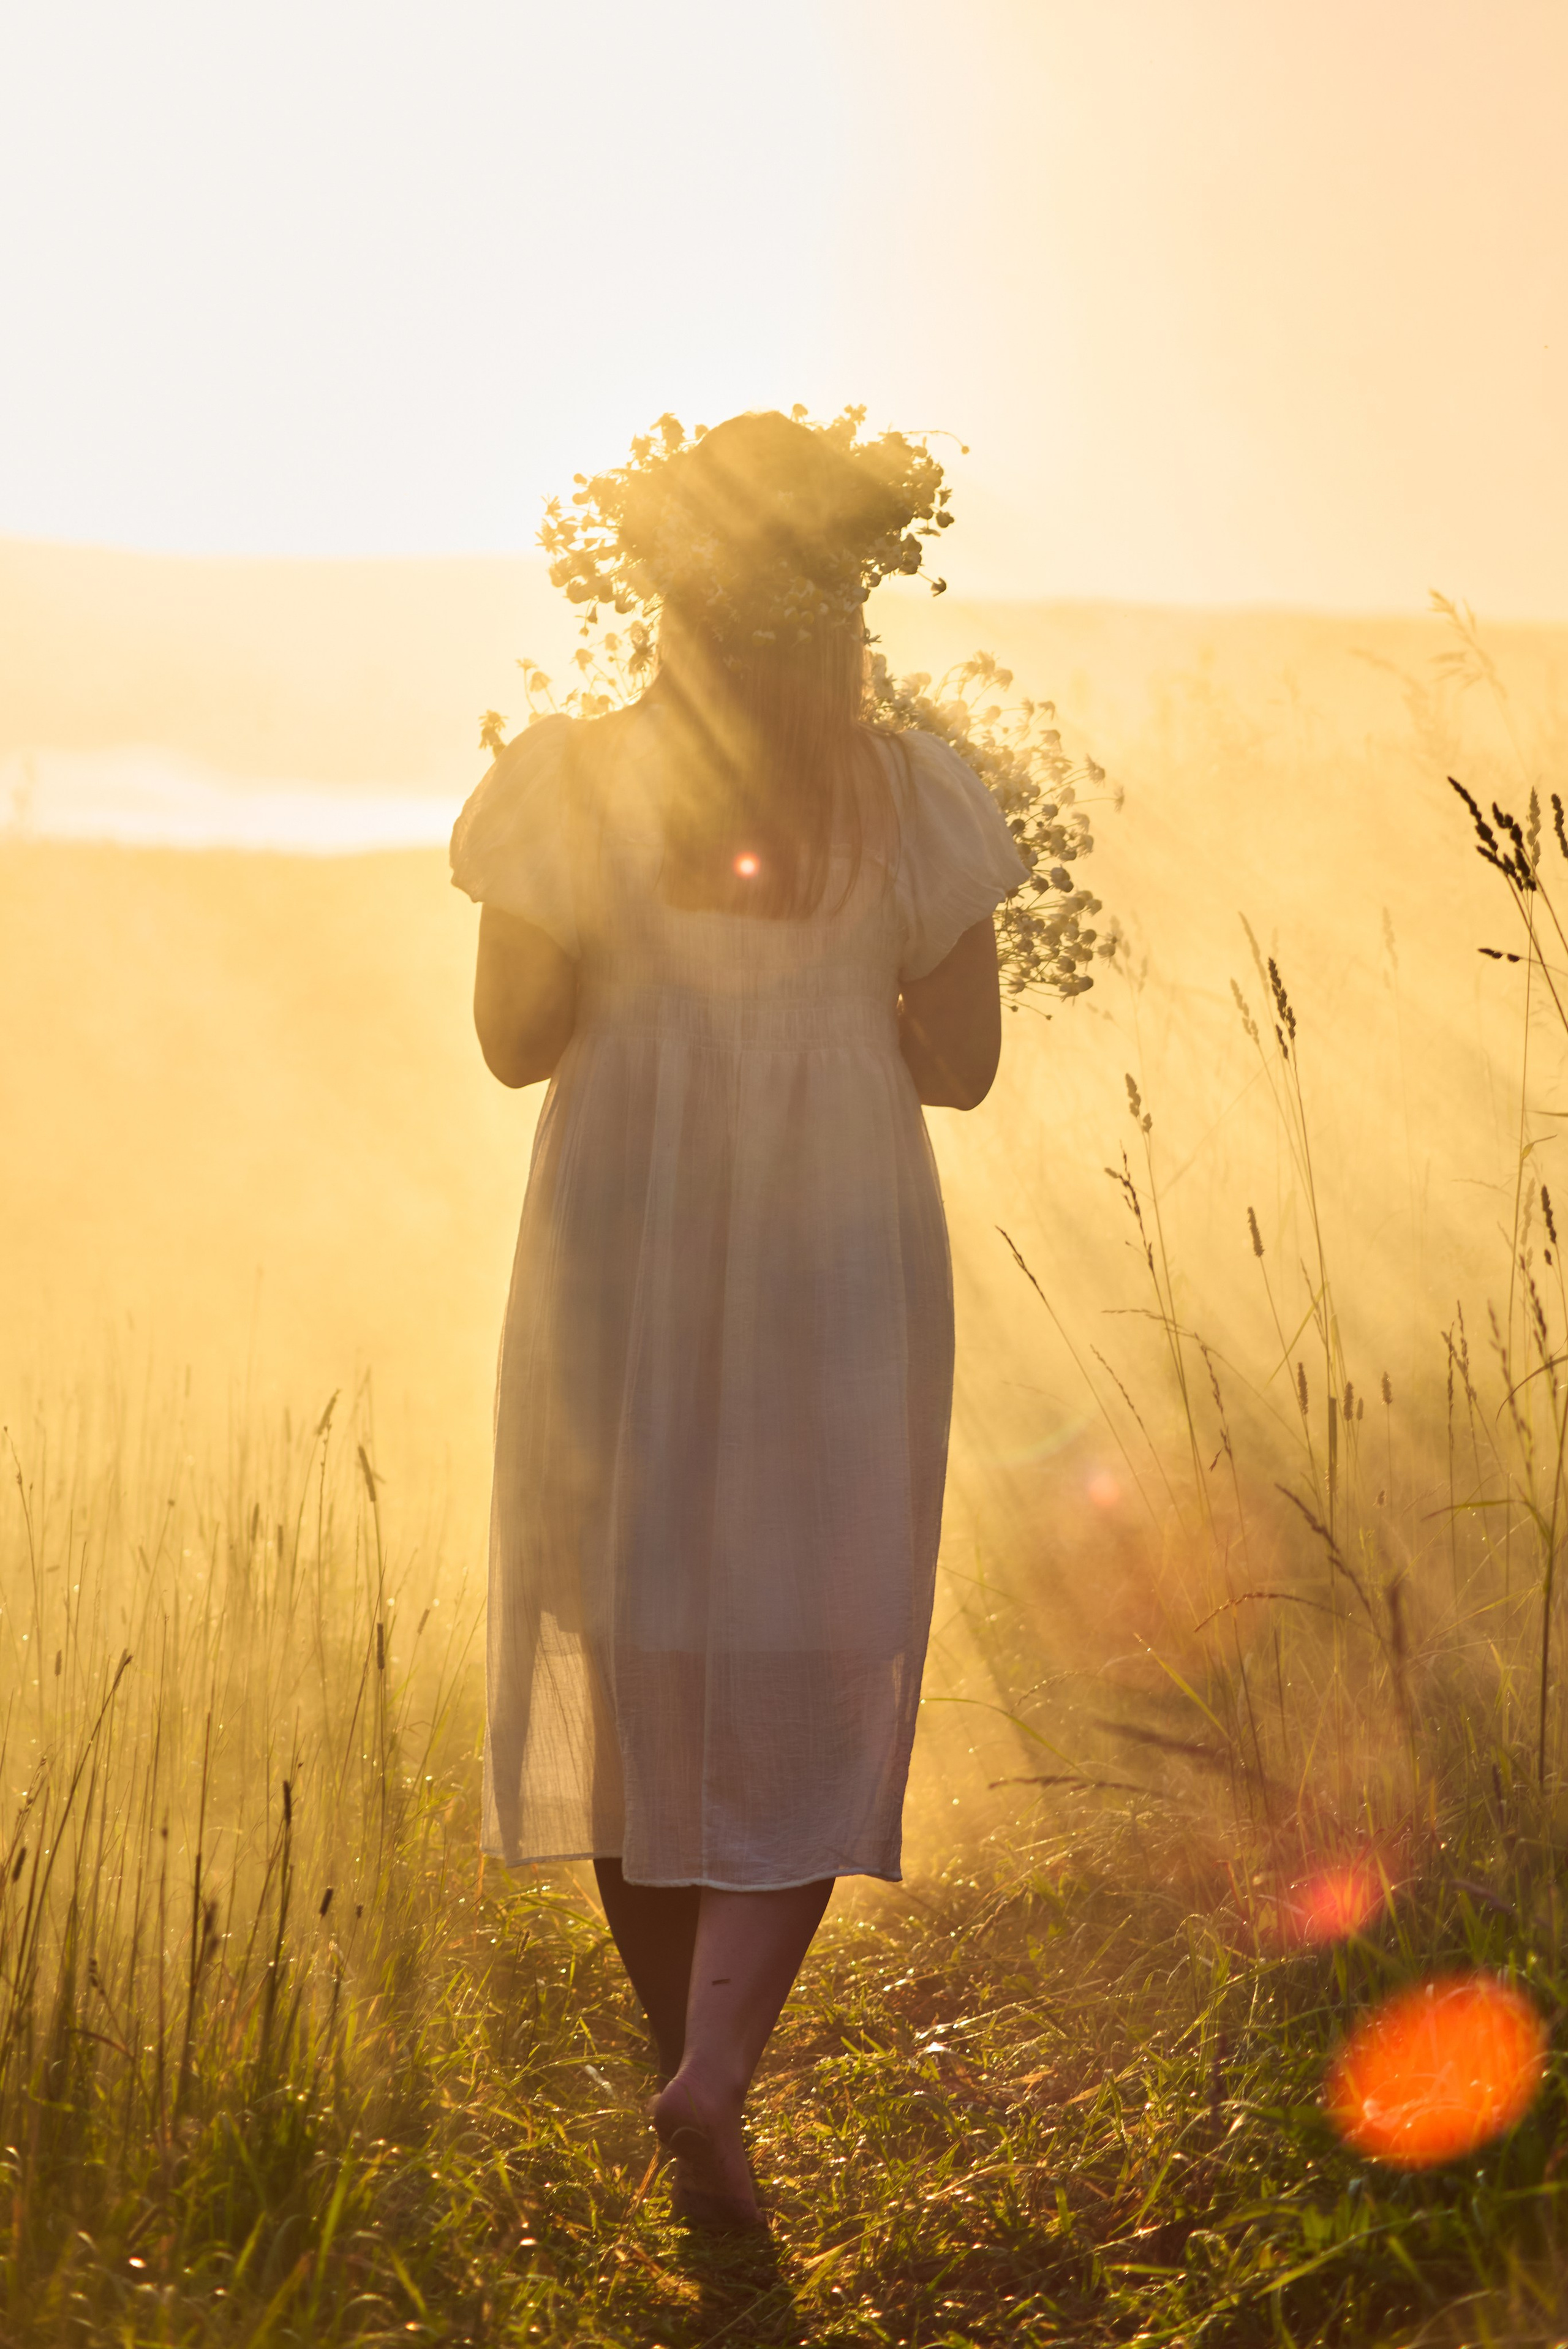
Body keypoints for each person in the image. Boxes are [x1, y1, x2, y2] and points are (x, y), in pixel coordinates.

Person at [450, 409, 1025, 2229]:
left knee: (635, 1635)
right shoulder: (911, 799)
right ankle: (713, 2071)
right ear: (851, 591)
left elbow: (513, 1044)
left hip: (621, 1231)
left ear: (661, 589)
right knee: (818, 1630)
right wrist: (842, 997)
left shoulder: (570, 782)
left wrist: (638, 970)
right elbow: (966, 1069)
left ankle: (684, 2066)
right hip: (833, 1248)